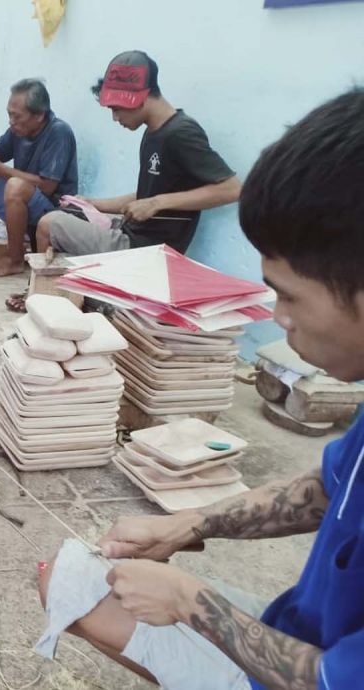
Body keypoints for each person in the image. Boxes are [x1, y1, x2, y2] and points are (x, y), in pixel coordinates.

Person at [36, 89, 364, 690]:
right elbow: (328, 488)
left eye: (287, 295)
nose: (277, 317)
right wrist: (190, 524)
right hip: (306, 630)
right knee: (69, 578)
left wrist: (192, 602)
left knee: (93, 597)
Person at [36, 51, 240, 258]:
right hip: (131, 231)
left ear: (140, 99)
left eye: (117, 109)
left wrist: (156, 203)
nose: (115, 118)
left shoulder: (181, 132)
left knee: (49, 224)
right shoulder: (153, 131)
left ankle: (44, 289)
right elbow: (147, 194)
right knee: (70, 213)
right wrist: (94, 203)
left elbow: (232, 189)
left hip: (146, 248)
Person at [0, 78, 78, 277]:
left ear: (39, 116)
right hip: (25, 201)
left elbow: (47, 187)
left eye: (16, 116)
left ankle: (15, 259)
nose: (11, 121)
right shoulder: (19, 129)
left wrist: (1, 170)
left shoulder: (58, 132)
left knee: (15, 186)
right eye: (9, 115)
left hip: (52, 210)